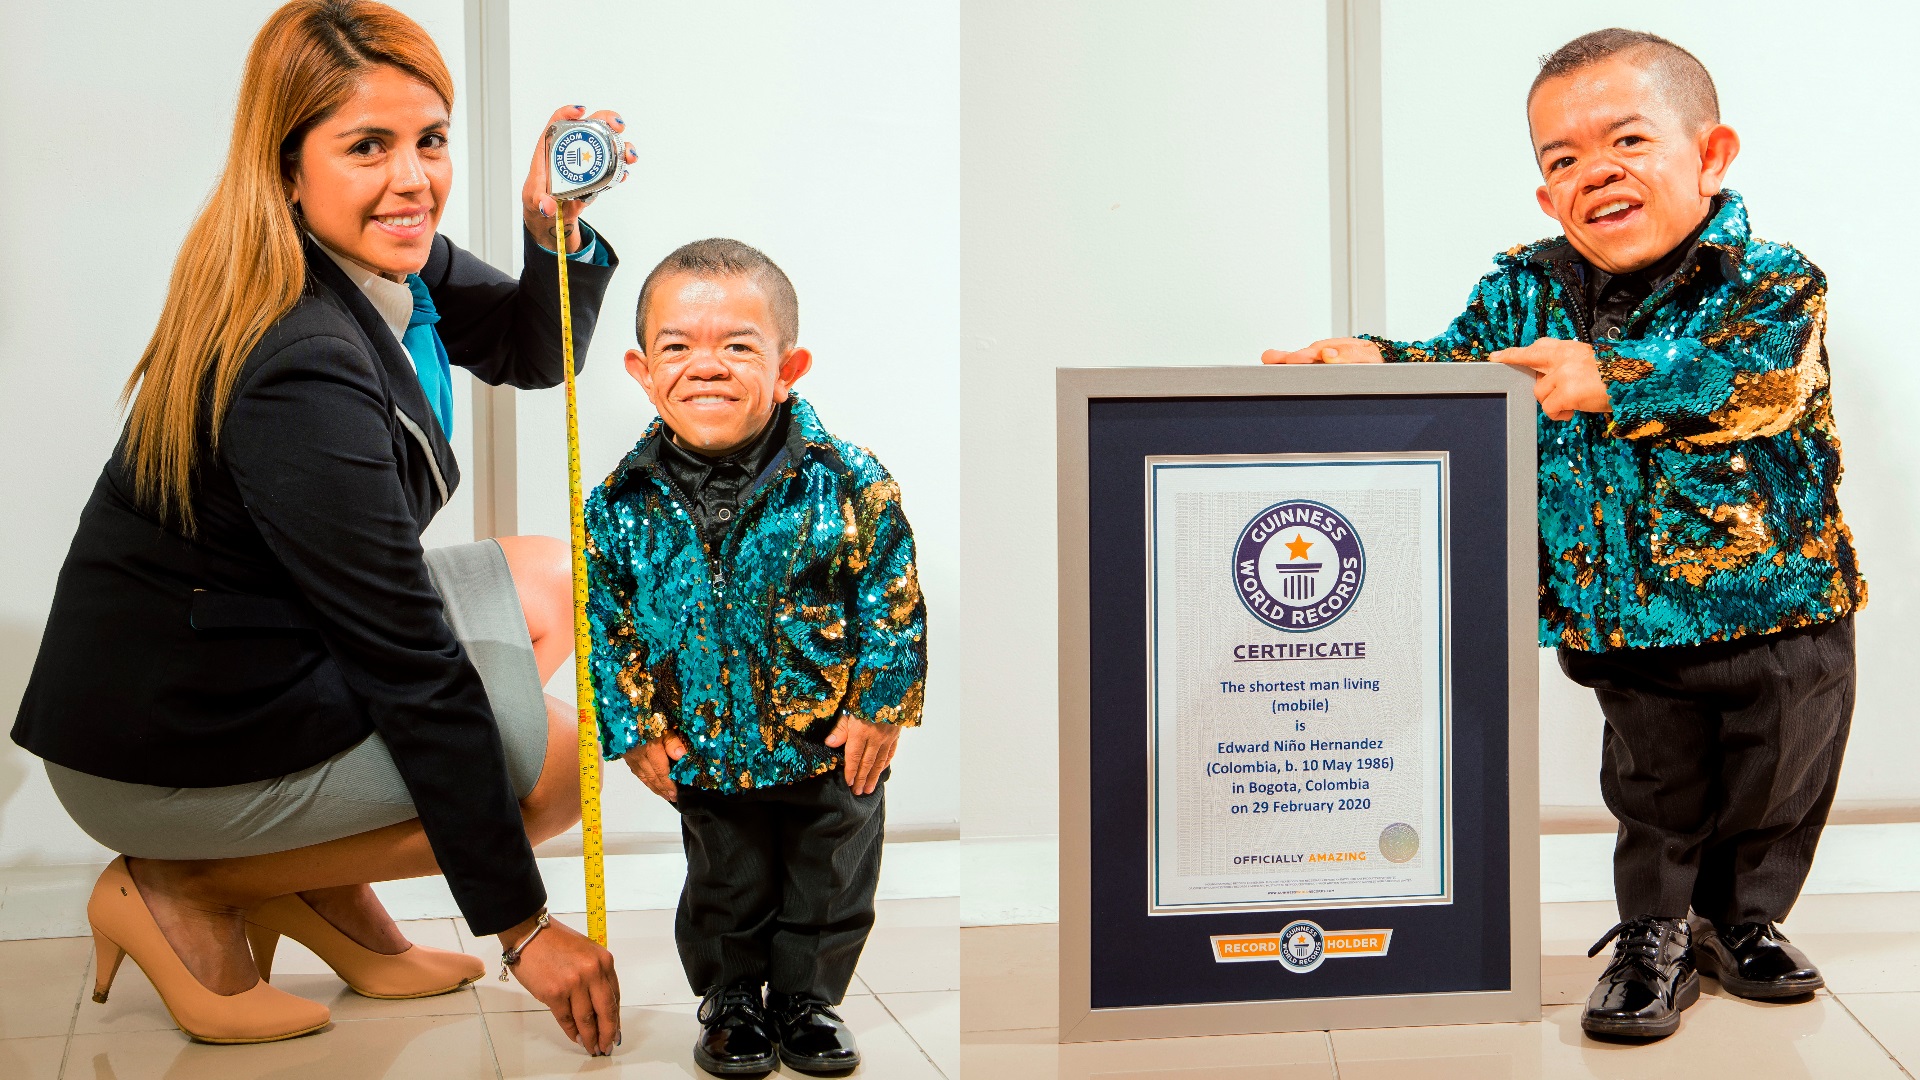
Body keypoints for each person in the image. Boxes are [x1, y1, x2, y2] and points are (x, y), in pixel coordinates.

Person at [10, 0, 633, 1053]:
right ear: (287, 166)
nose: (414, 179)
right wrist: (523, 927)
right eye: (368, 147)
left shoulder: (375, 256)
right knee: (557, 761)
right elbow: (405, 659)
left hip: (259, 642)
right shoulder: (295, 356)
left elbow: (534, 352)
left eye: (430, 140)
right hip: (172, 734)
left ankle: (320, 877)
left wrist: (549, 234)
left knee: (560, 578)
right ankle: (187, 883)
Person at [1261, 29, 1864, 1042]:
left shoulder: (1773, 283)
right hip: (1624, 613)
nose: (1598, 172)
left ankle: (1742, 919)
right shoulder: (1522, 289)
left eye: (1628, 140)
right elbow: (1464, 372)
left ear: (1710, 156)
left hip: (1785, 605)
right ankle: (1654, 935)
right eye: (1565, 158)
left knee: (1782, 774)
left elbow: (1759, 383)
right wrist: (1377, 359)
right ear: (1547, 196)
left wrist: (1610, 378)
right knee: (1655, 788)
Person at [584, 239, 927, 1075]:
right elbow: (606, 620)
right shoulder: (618, 503)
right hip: (703, 741)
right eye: (678, 346)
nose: (706, 365)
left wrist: (882, 705)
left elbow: (892, 597)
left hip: (828, 740)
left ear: (787, 369)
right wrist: (634, 726)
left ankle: (808, 999)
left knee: (829, 875)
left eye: (738, 345)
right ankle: (732, 998)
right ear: (641, 370)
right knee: (724, 881)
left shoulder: (850, 481)